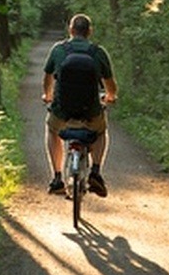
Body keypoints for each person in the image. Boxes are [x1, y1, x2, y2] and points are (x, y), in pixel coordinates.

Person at [42, 13, 117, 197]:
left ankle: (57, 177)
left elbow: (48, 78)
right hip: (90, 112)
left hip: (62, 111)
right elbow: (110, 85)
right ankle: (96, 172)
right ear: (89, 31)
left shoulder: (59, 50)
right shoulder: (98, 53)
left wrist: (47, 95)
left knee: (52, 130)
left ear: (71, 30)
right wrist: (110, 97)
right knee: (100, 131)